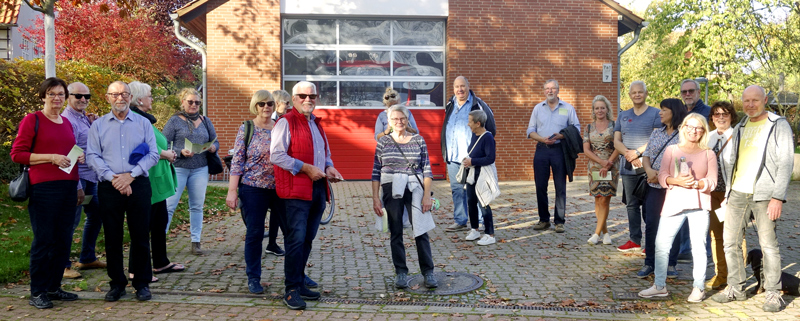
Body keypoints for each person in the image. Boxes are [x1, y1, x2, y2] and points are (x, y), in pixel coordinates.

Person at [712, 85, 794, 313]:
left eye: (755, 100)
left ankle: (773, 293)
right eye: (746, 100)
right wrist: (728, 193)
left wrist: (778, 196)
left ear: (764, 100)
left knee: (768, 246)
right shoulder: (741, 126)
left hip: (765, 195)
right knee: (730, 242)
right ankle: (736, 288)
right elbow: (732, 163)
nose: (750, 104)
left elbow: (786, 162)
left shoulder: (778, 125)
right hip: (737, 193)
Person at [10, 77, 84, 309]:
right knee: (44, 240)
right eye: (51, 93)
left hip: (68, 186)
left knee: (63, 240)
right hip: (43, 187)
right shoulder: (32, 120)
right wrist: (50, 157)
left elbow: (67, 153)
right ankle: (38, 291)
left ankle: (54, 287)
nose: (56, 98)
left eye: (61, 94)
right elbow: (18, 154)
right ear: (43, 96)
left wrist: (77, 158)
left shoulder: (66, 122)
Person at [271, 81, 344, 310]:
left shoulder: (317, 124)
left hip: (317, 190)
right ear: (294, 99)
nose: (308, 99)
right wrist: (305, 168)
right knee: (295, 240)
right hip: (295, 192)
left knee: (307, 239)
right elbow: (276, 155)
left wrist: (329, 167)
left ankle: (300, 281)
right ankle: (291, 290)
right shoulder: (285, 122)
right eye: (302, 96)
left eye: (312, 96)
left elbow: (325, 154)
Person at [86, 81, 159, 302]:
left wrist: (131, 175)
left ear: (131, 97)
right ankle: (117, 283)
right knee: (112, 236)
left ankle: (141, 283)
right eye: (115, 94)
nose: (120, 98)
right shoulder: (97, 126)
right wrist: (114, 178)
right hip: (110, 186)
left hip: (138, 183)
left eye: (125, 94)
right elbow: (92, 156)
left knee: (140, 235)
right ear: (107, 97)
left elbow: (153, 154)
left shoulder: (143, 123)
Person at [639, 113, 717, 303]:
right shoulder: (672, 150)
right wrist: (677, 180)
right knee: (661, 246)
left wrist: (698, 184)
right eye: (689, 126)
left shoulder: (709, 153)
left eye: (698, 128)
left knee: (698, 248)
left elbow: (713, 182)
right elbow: (662, 175)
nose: (693, 131)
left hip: (699, 205)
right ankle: (659, 286)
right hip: (673, 204)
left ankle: (698, 288)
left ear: (703, 131)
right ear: (683, 128)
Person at [226, 90, 286, 294]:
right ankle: (253, 278)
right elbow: (237, 161)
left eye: (270, 103)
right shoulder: (247, 128)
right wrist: (232, 191)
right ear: (255, 106)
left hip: (280, 188)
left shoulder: (280, 127)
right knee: (255, 233)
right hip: (253, 188)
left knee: (292, 231)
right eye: (262, 104)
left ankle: (297, 277)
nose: (266, 107)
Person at [371, 105, 437, 290]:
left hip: (414, 188)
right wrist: (376, 198)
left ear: (407, 120)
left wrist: (426, 196)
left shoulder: (418, 140)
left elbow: (427, 170)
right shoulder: (383, 142)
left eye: (402, 119)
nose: (399, 122)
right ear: (389, 122)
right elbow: (376, 172)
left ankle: (428, 272)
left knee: (421, 230)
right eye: (395, 119)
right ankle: (401, 272)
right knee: (396, 231)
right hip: (391, 187)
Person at [128, 81, 185, 282]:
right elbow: (141, 145)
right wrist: (166, 154)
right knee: (142, 226)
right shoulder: (134, 118)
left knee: (159, 223)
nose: (153, 98)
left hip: (157, 181)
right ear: (139, 99)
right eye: (150, 95)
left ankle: (160, 262)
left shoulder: (145, 118)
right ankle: (136, 270)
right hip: (147, 180)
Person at [163, 88, 220, 255]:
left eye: (197, 102)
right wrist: (180, 151)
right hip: (179, 167)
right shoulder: (174, 121)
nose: (194, 105)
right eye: (190, 102)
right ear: (182, 102)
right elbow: (163, 144)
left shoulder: (205, 120)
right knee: (169, 206)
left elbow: (216, 142)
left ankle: (196, 242)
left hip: (200, 168)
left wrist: (212, 148)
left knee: (196, 206)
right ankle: (160, 241)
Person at [637, 98, 687, 279]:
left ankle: (671, 264)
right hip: (653, 186)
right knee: (652, 225)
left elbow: (685, 161)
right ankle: (649, 262)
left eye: (664, 109)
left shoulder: (685, 134)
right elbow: (647, 155)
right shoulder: (656, 133)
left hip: (674, 188)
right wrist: (649, 171)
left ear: (674, 111)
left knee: (674, 225)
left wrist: (665, 176)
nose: (660, 113)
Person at [60, 82, 105, 279]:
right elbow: (70, 155)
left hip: (91, 177)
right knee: (70, 221)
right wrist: (76, 185)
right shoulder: (66, 120)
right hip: (77, 178)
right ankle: (63, 265)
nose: (83, 100)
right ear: (68, 97)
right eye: (78, 96)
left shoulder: (83, 118)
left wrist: (95, 122)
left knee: (97, 214)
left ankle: (87, 258)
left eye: (87, 96)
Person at [441, 76, 496, 232]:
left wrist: (481, 153)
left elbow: (491, 129)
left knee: (476, 191)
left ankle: (478, 221)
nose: (460, 89)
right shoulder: (450, 105)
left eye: (463, 86)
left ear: (468, 86)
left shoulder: (478, 105)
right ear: (453, 89)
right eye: (457, 87)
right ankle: (460, 220)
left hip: (472, 158)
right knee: (457, 190)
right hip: (453, 156)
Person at [526, 79, 580, 233]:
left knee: (560, 186)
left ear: (558, 90)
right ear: (544, 91)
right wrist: (541, 139)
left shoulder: (567, 108)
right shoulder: (538, 109)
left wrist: (561, 136)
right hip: (541, 150)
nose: (550, 91)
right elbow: (530, 130)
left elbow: (576, 128)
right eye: (547, 89)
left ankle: (559, 221)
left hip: (559, 150)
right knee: (540, 186)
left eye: (553, 88)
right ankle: (543, 220)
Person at [613, 81, 661, 251]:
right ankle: (634, 240)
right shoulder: (622, 115)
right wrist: (628, 153)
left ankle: (651, 243)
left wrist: (638, 153)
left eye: (640, 92)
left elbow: (656, 138)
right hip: (627, 168)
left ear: (646, 93)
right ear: (630, 95)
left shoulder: (656, 113)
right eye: (634, 92)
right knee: (631, 205)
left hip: (648, 167)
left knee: (650, 206)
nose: (637, 95)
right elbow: (616, 140)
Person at [705, 101, 745, 290]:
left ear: (732, 116)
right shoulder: (708, 138)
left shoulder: (739, 136)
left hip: (734, 194)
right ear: (712, 118)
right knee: (716, 236)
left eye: (725, 114)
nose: (721, 117)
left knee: (736, 236)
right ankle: (721, 275)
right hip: (713, 194)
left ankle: (738, 277)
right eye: (717, 114)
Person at [375, 87, 419, 228]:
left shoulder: (407, 113)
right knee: (388, 189)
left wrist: (402, 126)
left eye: (395, 105)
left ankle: (405, 220)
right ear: (386, 104)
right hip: (388, 157)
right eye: (391, 106)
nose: (394, 108)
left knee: (406, 189)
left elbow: (416, 131)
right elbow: (377, 137)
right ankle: (389, 220)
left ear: (399, 102)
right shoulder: (381, 116)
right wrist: (387, 130)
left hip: (405, 154)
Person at [583, 95, 619, 245]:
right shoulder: (588, 127)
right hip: (595, 168)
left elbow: (618, 145)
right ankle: (605, 233)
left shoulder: (615, 125)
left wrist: (608, 163)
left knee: (605, 199)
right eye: (597, 108)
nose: (600, 110)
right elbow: (586, 149)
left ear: (607, 109)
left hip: (611, 166)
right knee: (598, 199)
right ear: (593, 110)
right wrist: (601, 162)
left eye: (602, 108)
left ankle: (596, 234)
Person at [462, 110, 497, 245]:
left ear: (478, 123)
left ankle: (490, 234)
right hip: (472, 174)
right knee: (471, 201)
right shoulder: (474, 135)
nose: (468, 124)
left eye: (470, 121)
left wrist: (472, 161)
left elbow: (490, 158)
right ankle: (475, 229)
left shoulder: (487, 137)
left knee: (483, 203)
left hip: (482, 175)